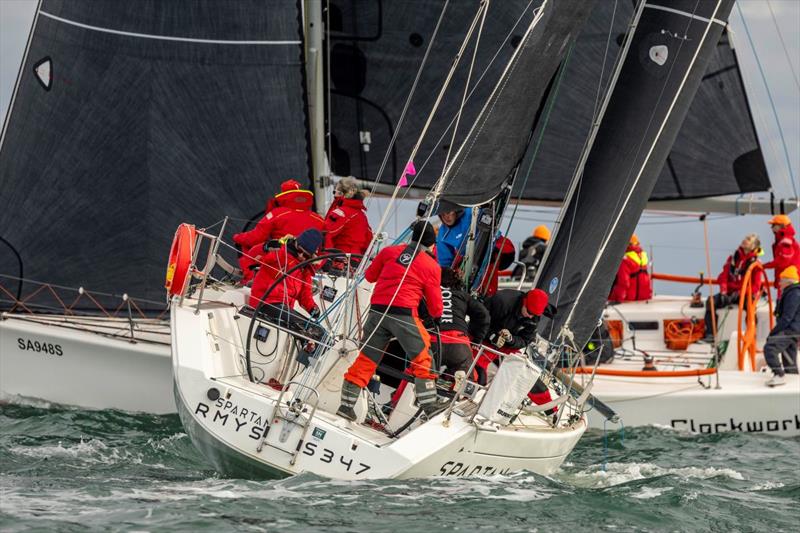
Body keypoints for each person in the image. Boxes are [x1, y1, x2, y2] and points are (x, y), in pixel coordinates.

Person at [337, 221, 443, 421]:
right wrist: (437, 317)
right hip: (404, 314)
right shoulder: (432, 266)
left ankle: (346, 406)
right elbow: (436, 307)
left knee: (366, 359)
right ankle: (430, 406)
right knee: (423, 357)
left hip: (377, 312)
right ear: (431, 244)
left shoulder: (388, 252)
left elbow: (370, 277)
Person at [479, 287, 555, 412]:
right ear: (524, 302)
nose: (530, 316)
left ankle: (551, 410)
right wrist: (492, 336)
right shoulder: (502, 301)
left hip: (506, 347)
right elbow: (478, 320)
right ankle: (461, 397)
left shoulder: (534, 316)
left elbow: (525, 339)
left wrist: (511, 340)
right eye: (529, 312)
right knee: (477, 373)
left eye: (534, 315)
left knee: (525, 372)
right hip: (484, 340)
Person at [234, 180, 324, 282]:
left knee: (248, 248)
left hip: (281, 255)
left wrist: (237, 237)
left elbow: (256, 237)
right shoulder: (319, 219)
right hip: (307, 262)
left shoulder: (277, 213)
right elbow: (325, 245)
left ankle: (249, 279)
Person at [248, 228, 322, 321]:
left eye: (305, 255)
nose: (301, 255)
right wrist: (265, 247)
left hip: (284, 308)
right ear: (295, 243)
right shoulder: (280, 253)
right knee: (302, 324)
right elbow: (252, 256)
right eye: (299, 250)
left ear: (311, 257)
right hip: (265, 302)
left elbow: (305, 295)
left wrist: (312, 308)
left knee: (310, 327)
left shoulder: (305, 271)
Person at [701, 234, 763, 342]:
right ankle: (710, 334)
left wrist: (740, 293)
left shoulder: (756, 264)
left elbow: (756, 286)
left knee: (750, 307)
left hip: (744, 294)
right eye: (745, 238)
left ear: (753, 245)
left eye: (748, 239)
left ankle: (751, 336)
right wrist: (723, 291)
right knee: (711, 302)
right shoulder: (733, 258)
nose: (744, 240)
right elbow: (723, 276)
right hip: (729, 292)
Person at [432, 267, 491, 379]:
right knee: (470, 378)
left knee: (416, 370)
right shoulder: (463, 295)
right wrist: (477, 340)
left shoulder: (430, 293)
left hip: (434, 341)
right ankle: (451, 378)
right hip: (458, 343)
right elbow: (484, 315)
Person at [764, 266, 800, 387]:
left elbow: (787, 318)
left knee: (770, 348)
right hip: (794, 330)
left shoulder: (794, 294)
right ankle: (794, 380)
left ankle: (779, 375)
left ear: (788, 281)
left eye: (781, 280)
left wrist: (773, 333)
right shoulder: (791, 292)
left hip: (790, 330)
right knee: (789, 356)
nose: (779, 283)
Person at [323, 177, 373, 255]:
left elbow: (326, 233)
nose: (334, 195)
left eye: (334, 192)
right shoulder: (362, 216)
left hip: (339, 257)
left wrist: (326, 256)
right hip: (356, 258)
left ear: (341, 193)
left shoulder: (340, 213)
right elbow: (369, 240)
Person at [763, 214, 800, 296]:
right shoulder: (784, 240)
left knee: (786, 301)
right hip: (787, 278)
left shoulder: (786, 240)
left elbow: (783, 261)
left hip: (789, 279)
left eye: (773, 225)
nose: (771, 228)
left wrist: (765, 266)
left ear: (781, 226)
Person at [608, 234, 652, 302]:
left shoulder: (625, 260)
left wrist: (617, 299)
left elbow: (623, 282)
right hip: (644, 296)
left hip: (629, 297)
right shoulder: (642, 256)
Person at [436, 200, 471, 268]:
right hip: (470, 263)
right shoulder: (443, 234)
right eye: (442, 214)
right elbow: (444, 263)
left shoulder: (470, 213)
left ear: (455, 210)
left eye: (448, 212)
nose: (446, 217)